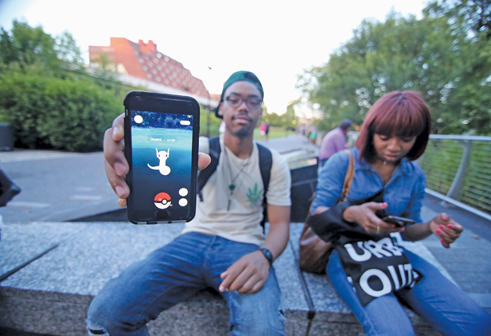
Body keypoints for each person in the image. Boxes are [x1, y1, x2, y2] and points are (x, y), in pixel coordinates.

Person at [87, 71, 292, 335]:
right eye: (234, 98)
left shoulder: (274, 163)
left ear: (261, 111)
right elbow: (164, 150)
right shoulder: (200, 147)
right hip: (191, 241)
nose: (243, 106)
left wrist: (264, 256)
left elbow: (280, 224)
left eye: (252, 101)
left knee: (263, 331)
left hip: (244, 248)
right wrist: (135, 143)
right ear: (221, 107)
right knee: (105, 316)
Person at [311, 91, 491, 335]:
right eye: (384, 137)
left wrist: (430, 226)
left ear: (418, 138)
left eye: (406, 139)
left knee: (477, 324)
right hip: (344, 254)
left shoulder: (414, 176)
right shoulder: (343, 162)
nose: (394, 147)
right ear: (370, 131)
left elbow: (407, 232)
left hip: (389, 252)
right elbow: (317, 212)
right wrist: (351, 213)